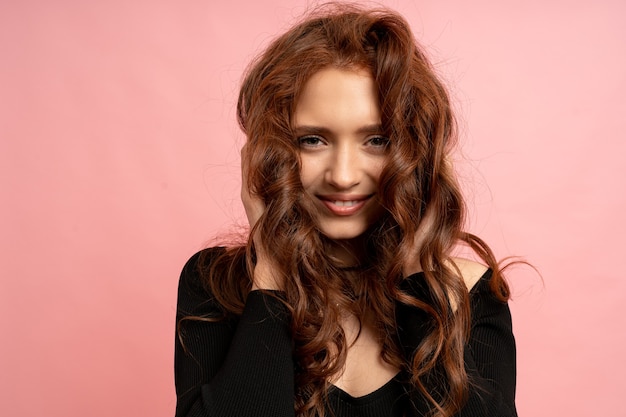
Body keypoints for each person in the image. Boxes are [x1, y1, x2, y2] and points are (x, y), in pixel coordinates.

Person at [175, 4, 517, 417]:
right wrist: (270, 271)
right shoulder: (216, 285)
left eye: (376, 140)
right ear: (272, 151)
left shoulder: (467, 295)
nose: (342, 176)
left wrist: (417, 273)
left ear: (415, 152)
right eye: (313, 140)